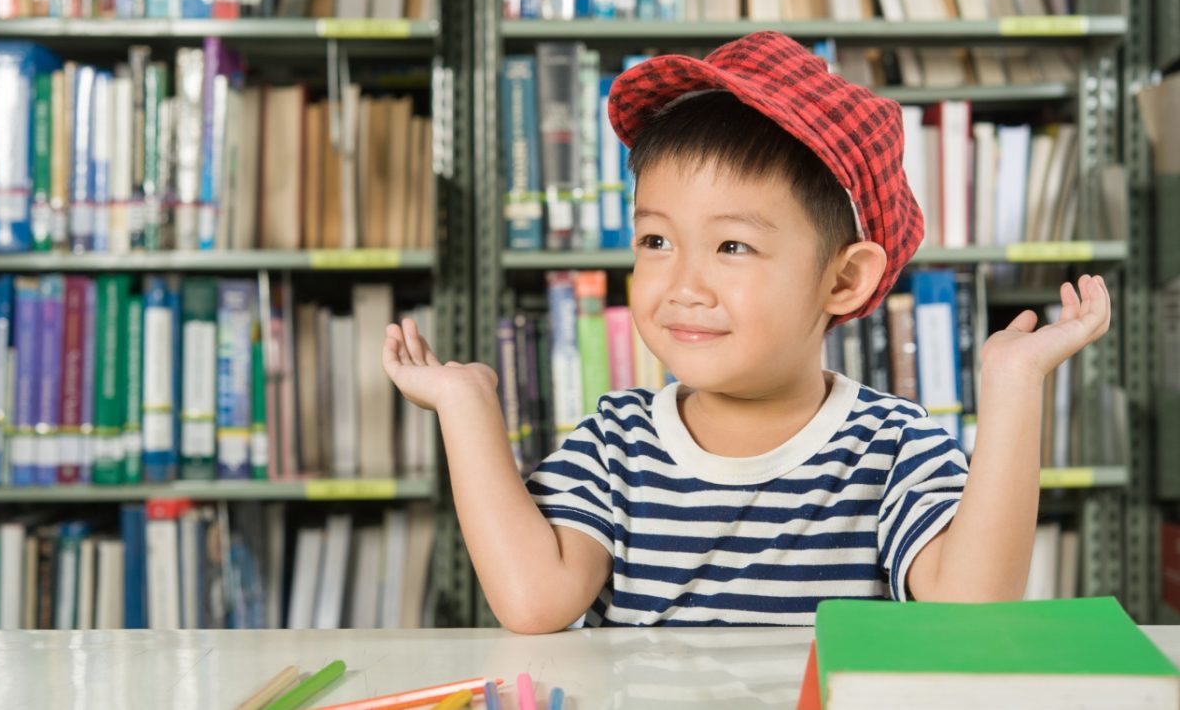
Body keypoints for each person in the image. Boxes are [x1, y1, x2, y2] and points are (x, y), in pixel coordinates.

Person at [381, 32, 1111, 633]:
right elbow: (533, 602)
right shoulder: (616, 442)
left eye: (732, 247)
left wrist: (1013, 387)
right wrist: (465, 405)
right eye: (656, 242)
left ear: (843, 280)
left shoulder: (891, 447)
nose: (682, 285)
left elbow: (971, 612)